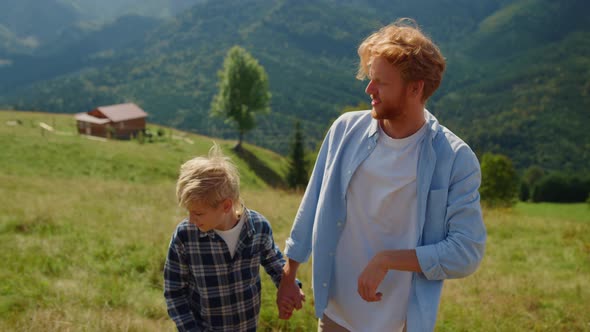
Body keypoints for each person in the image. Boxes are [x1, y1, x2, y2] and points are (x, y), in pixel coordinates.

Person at [277, 19, 486, 332]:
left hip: (400, 322)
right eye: (369, 78)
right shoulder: (345, 131)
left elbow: (466, 252)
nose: (368, 89)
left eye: (380, 82)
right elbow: (313, 203)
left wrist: (388, 259)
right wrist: (288, 274)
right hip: (335, 313)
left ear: (416, 88)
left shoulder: (454, 159)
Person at [164, 144, 302, 331]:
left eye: (198, 213)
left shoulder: (259, 228)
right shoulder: (185, 237)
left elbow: (276, 264)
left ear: (226, 206)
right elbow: (174, 292)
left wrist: (289, 288)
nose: (191, 219)